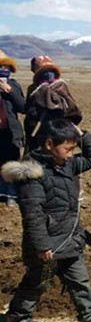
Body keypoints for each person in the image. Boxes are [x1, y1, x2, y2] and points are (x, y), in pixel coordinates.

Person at [1, 118, 91, 322]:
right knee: (37, 282)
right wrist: (41, 245)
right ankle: (16, 318)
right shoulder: (32, 175)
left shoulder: (66, 164)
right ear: (49, 145)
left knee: (80, 280)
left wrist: (81, 135)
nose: (71, 154)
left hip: (69, 238)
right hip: (47, 244)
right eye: (68, 149)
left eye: (73, 148)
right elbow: (32, 214)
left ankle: (90, 317)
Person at [24, 58, 82, 153]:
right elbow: (29, 109)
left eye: (50, 70)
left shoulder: (60, 86)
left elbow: (70, 106)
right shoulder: (33, 89)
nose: (48, 73)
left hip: (57, 129)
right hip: (37, 130)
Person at [0, 52, 26, 207]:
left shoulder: (14, 85)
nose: (4, 69)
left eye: (6, 66)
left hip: (10, 131)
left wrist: (9, 91)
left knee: (12, 161)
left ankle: (11, 194)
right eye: (1, 66)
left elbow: (22, 107)